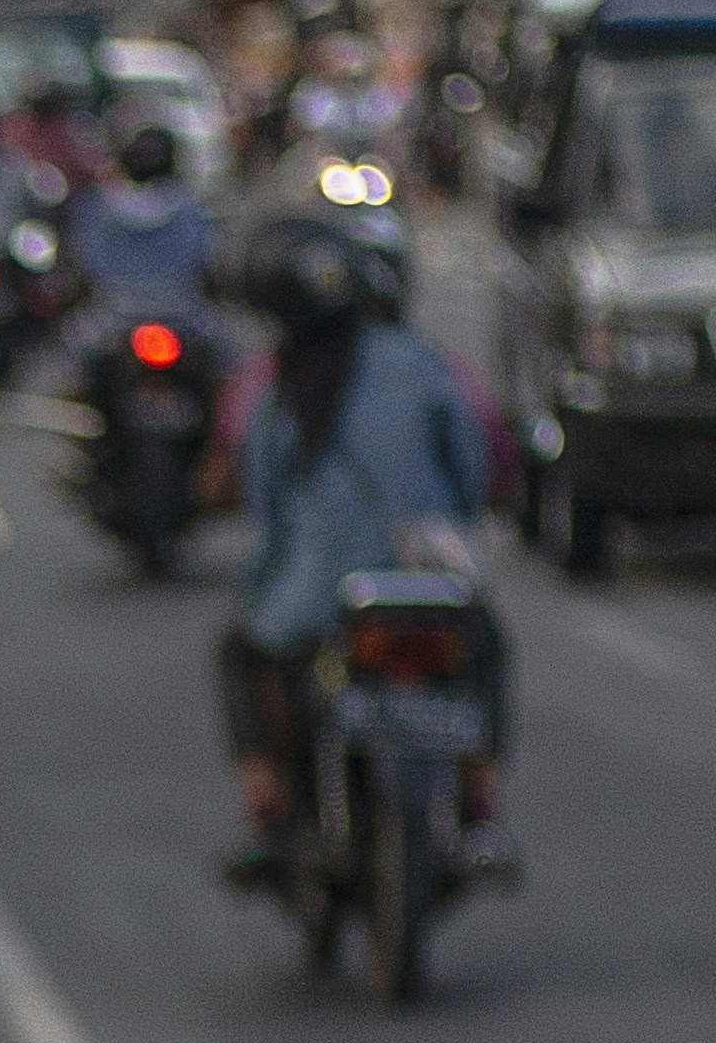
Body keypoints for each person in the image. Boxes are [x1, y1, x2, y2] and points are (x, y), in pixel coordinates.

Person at [217, 219, 497, 884]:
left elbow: (267, 515)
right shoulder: (423, 362)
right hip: (430, 578)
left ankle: (267, 810)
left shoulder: (270, 390)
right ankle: (480, 810)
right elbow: (471, 466)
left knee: (241, 654)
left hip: (316, 597)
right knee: (486, 649)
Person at [66, 119, 215, 329]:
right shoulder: (190, 206)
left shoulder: (98, 204)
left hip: (115, 315)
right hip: (175, 314)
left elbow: (83, 258)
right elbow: (207, 257)